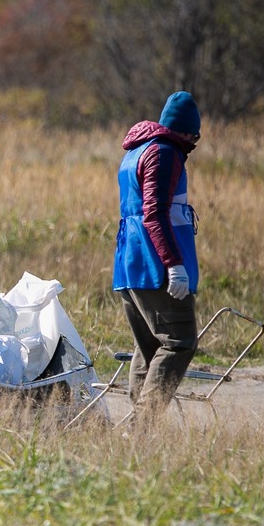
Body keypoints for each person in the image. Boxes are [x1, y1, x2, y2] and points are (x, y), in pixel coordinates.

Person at [112, 91, 202, 422]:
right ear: (186, 130)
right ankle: (140, 427)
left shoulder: (137, 151)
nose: (194, 143)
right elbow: (154, 213)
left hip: (129, 265)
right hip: (155, 266)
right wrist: (174, 265)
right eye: (195, 135)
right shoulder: (165, 153)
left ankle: (135, 436)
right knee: (179, 342)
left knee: (150, 348)